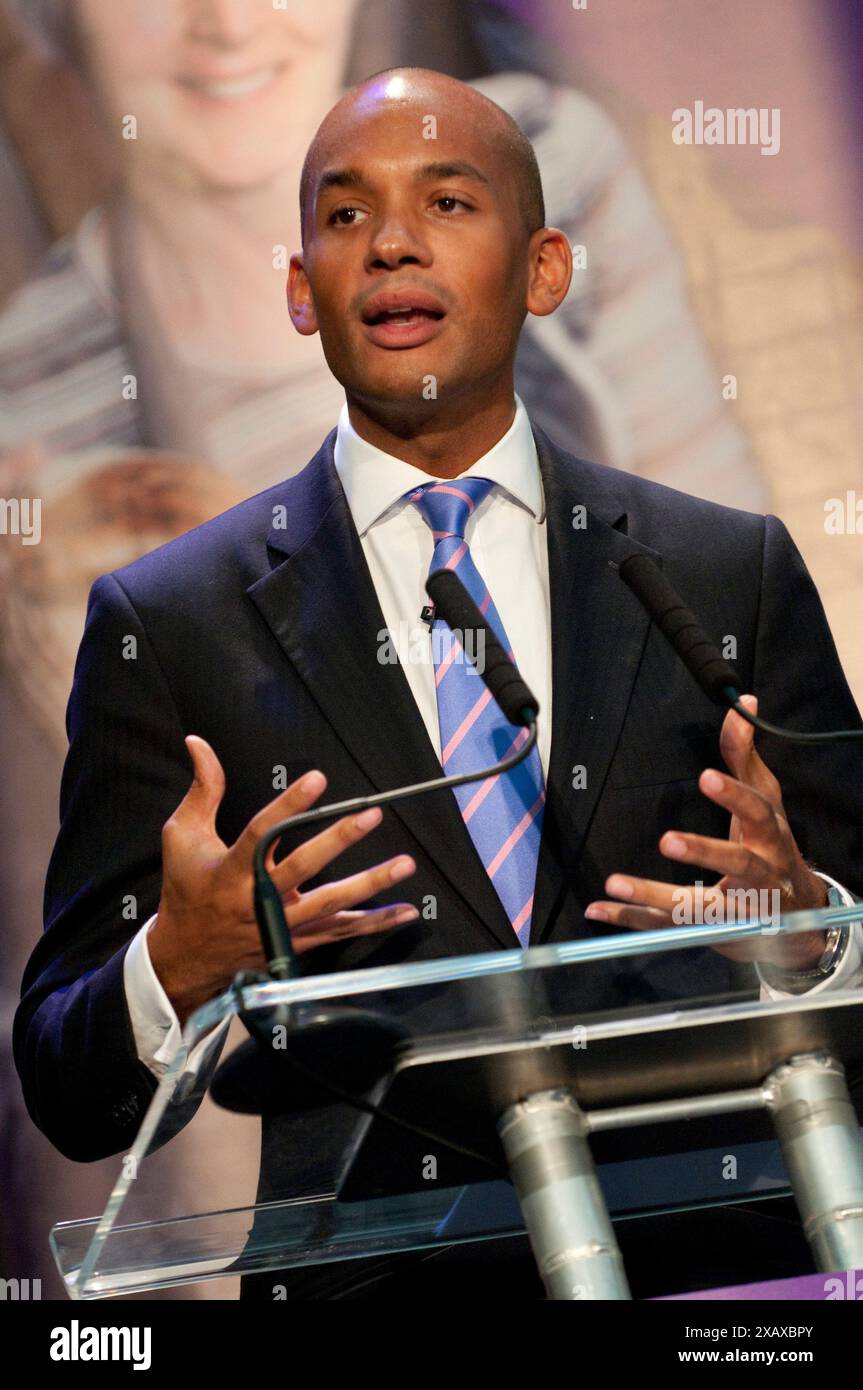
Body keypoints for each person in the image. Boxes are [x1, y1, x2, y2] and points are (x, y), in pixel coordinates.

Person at [14, 68, 863, 1300]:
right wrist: (174, 960)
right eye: (347, 217)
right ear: (302, 292)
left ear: (544, 271)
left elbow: (850, 923)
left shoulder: (722, 576)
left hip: (714, 1278)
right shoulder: (171, 621)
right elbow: (66, 1081)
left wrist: (806, 923)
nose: (393, 243)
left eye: (448, 203)